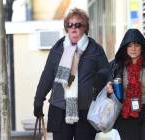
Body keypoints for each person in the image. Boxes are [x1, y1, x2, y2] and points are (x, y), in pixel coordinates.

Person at [33, 8, 109, 140]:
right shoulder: (57, 49)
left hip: (86, 110)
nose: (74, 28)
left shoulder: (95, 49)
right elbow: (47, 77)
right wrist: (38, 101)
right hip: (60, 108)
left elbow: (106, 72)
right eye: (70, 25)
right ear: (66, 28)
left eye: (78, 25)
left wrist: (98, 82)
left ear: (85, 28)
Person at [106, 28, 145, 140]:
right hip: (126, 114)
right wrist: (108, 89)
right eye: (130, 45)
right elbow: (106, 85)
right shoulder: (116, 65)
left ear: (142, 47)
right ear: (125, 48)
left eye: (137, 45)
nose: (133, 49)